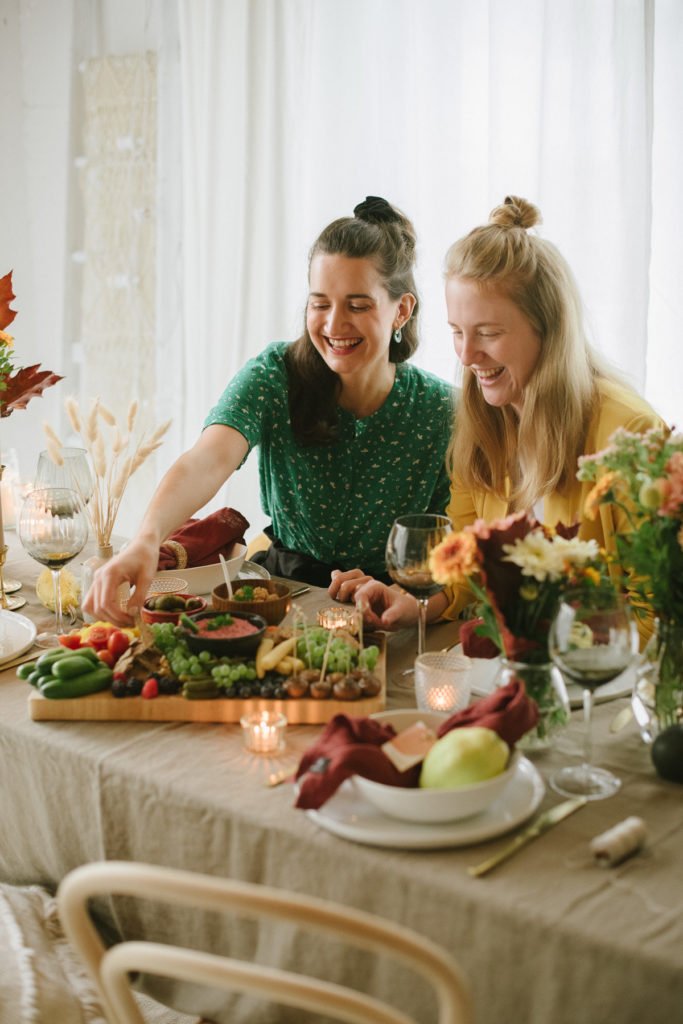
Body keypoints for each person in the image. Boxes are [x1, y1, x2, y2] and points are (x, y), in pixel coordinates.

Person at [84, 196, 456, 624]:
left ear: (401, 311)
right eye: (320, 304)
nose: (334, 324)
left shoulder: (444, 410)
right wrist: (146, 540)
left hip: (393, 611)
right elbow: (207, 459)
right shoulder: (275, 373)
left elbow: (457, 551)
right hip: (280, 600)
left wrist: (402, 596)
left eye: (357, 306)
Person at [330, 194, 664, 634]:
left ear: (548, 330)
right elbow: (467, 570)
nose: (467, 355)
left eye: (487, 333)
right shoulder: (481, 422)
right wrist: (413, 601)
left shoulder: (629, 435)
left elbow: (659, 615)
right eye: (457, 332)